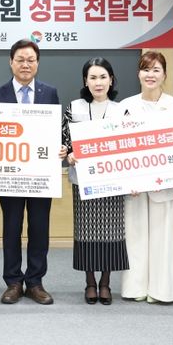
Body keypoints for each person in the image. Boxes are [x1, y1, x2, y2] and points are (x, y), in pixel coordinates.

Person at [0, 39, 60, 305]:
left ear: (37, 63)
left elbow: (56, 131)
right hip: (10, 175)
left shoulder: (49, 93)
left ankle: (35, 282)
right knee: (12, 228)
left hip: (41, 175)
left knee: (40, 228)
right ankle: (13, 282)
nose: (25, 64)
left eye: (31, 60)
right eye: (20, 60)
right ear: (11, 62)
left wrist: (61, 147)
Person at [119, 51, 173, 304]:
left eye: (156, 70)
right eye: (146, 69)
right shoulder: (124, 106)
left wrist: (170, 174)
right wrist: (127, 179)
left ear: (164, 75)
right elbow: (120, 146)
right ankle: (134, 288)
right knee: (135, 236)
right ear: (138, 73)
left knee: (165, 237)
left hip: (166, 184)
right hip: (134, 184)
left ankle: (162, 291)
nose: (150, 75)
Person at [61, 57, 128, 305]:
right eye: (93, 77)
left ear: (111, 80)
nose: (98, 82)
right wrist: (68, 154)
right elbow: (64, 142)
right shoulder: (74, 107)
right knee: (86, 231)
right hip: (83, 181)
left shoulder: (122, 110)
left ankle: (106, 283)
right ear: (85, 81)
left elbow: (129, 145)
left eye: (103, 77)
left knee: (111, 231)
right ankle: (90, 282)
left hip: (113, 181)